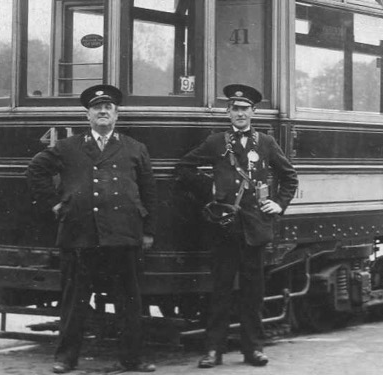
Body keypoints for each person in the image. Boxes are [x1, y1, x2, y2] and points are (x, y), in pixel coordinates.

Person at [26, 84, 157, 374]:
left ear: (116, 114)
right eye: (97, 108)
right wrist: (56, 204)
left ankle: (132, 359)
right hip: (80, 235)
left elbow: (149, 192)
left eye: (108, 108)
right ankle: (65, 359)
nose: (102, 112)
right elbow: (36, 169)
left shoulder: (135, 148)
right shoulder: (67, 147)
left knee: (129, 300)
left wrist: (147, 230)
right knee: (75, 301)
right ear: (87, 115)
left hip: (124, 235)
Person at [175, 84, 298, 368]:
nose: (240, 114)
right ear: (228, 112)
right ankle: (213, 351)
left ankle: (253, 349)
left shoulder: (266, 143)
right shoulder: (217, 142)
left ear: (253, 112)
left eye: (244, 109)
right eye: (235, 109)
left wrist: (278, 204)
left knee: (253, 293)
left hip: (255, 229)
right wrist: (212, 189)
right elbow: (184, 168)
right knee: (220, 292)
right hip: (224, 228)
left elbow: (289, 177)